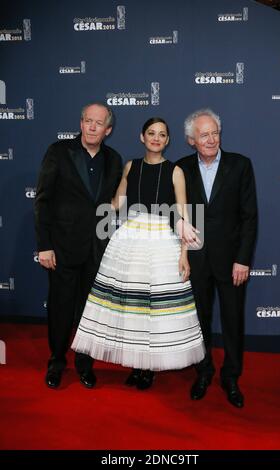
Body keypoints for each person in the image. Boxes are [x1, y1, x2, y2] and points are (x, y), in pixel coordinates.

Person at [71, 117, 205, 389]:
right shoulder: (131, 166)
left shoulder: (175, 171)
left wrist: (184, 254)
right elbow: (117, 203)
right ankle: (136, 365)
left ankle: (149, 368)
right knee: (132, 306)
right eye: (151, 133)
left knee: (154, 308)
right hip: (130, 239)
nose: (156, 138)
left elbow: (183, 213)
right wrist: (84, 203)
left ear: (168, 141)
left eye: (163, 134)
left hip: (161, 243)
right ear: (142, 137)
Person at [35, 102, 123, 389]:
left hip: (96, 250)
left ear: (108, 129)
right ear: (81, 123)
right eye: (88, 120)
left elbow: (111, 206)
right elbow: (44, 200)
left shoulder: (114, 159)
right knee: (60, 307)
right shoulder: (59, 152)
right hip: (61, 247)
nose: (93, 126)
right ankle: (57, 362)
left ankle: (84, 364)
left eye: (99, 123)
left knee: (90, 310)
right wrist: (45, 245)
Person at [177, 109, 257, 408]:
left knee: (233, 320)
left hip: (231, 261)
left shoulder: (240, 165)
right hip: (196, 259)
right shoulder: (181, 168)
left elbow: (249, 217)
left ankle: (231, 377)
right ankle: (203, 371)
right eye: (203, 135)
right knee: (199, 321)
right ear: (190, 140)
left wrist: (243, 259)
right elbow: (175, 212)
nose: (211, 139)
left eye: (215, 133)